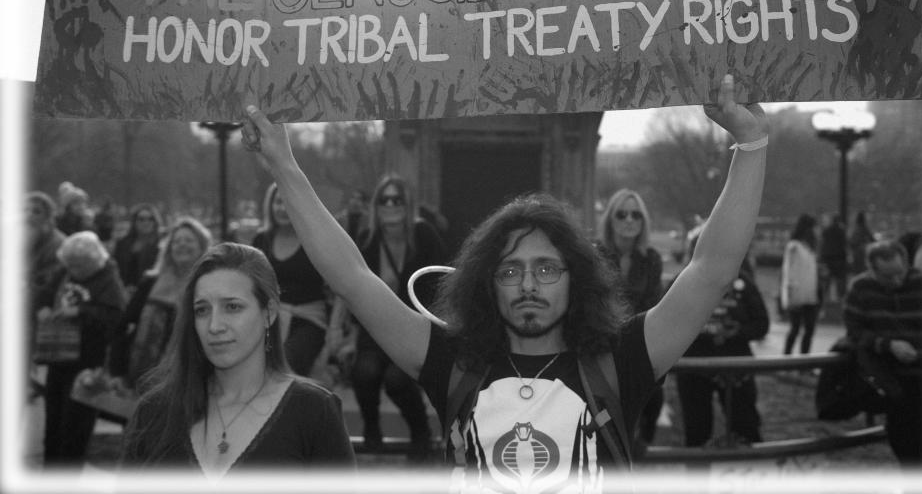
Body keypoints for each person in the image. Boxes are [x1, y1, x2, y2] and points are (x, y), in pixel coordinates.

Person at [241, 73, 767, 486]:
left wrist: (752, 145)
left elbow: (711, 270)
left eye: (545, 268)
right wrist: (284, 166)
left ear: (575, 279)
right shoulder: (454, 361)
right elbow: (354, 279)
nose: (528, 284)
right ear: (486, 284)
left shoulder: (621, 359)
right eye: (510, 270)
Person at [119, 243, 355, 475]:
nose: (214, 326)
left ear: (269, 312)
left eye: (232, 307)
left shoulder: (314, 411)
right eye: (202, 310)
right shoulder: (155, 410)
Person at [346, 174, 447, 460]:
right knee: (363, 372)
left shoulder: (424, 235)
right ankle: (372, 430)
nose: (391, 205)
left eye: (397, 200)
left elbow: (442, 281)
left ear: (408, 204)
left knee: (397, 379)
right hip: (374, 325)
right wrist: (342, 335)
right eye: (384, 200)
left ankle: (421, 434)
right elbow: (350, 286)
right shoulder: (367, 239)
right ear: (375, 205)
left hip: (414, 325)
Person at [35, 231, 126, 467]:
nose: (73, 270)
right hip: (58, 357)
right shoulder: (64, 270)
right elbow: (44, 293)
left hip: (87, 361)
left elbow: (115, 316)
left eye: (79, 266)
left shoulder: (108, 278)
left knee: (74, 427)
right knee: (53, 423)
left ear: (94, 261)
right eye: (70, 265)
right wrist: (43, 307)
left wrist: (81, 312)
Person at [842, 240, 922, 466]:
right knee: (906, 443)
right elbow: (855, 332)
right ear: (872, 271)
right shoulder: (861, 289)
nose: (895, 281)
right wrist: (886, 344)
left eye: (899, 274)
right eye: (887, 276)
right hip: (896, 380)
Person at [595, 188, 664, 451]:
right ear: (610, 219)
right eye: (621, 214)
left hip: (640, 340)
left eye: (636, 215)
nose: (629, 220)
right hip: (602, 343)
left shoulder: (650, 259)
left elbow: (653, 303)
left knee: (653, 401)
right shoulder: (595, 256)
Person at [252, 183, 344, 378]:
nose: (282, 208)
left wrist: (335, 328)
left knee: (285, 365)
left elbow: (341, 287)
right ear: (270, 205)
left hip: (309, 321)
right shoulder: (261, 240)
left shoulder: (315, 241)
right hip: (269, 320)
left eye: (287, 202)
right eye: (278, 202)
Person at [110, 217, 213, 390]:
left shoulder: (211, 287)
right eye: (176, 241)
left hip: (188, 384)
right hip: (139, 379)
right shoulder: (150, 283)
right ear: (168, 248)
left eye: (189, 240)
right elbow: (123, 326)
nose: (182, 245)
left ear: (202, 247)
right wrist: (117, 372)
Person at [676, 257, 769, 446]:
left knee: (745, 428)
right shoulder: (681, 282)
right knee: (696, 434)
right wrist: (697, 330)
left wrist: (737, 332)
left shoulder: (743, 282)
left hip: (735, 366)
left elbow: (761, 324)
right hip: (694, 367)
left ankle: (747, 472)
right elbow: (667, 322)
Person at [25, 192, 67, 396]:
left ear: (47, 216)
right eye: (26, 210)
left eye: (36, 211)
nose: (30, 215)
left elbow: (54, 278)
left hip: (37, 305)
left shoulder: (57, 242)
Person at [781, 213, 820, 355]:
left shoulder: (809, 248)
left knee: (809, 329)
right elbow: (789, 272)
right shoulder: (794, 247)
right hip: (796, 295)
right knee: (795, 328)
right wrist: (790, 294)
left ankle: (804, 361)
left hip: (809, 295)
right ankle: (786, 358)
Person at [114, 203, 164, 293]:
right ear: (134, 222)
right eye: (141, 219)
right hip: (124, 293)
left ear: (155, 221)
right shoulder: (122, 244)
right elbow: (116, 270)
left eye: (150, 219)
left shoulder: (162, 245)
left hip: (152, 293)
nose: (146, 222)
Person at [818, 213, 847, 301]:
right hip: (839, 259)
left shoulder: (826, 230)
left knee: (826, 282)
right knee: (839, 281)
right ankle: (840, 299)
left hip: (827, 259)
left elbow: (822, 243)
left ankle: (826, 300)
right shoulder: (841, 231)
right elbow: (844, 243)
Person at [847, 210, 875, 276]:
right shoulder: (864, 228)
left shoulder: (855, 228)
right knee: (863, 270)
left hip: (855, 252)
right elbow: (872, 239)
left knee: (856, 270)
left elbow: (850, 241)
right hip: (862, 252)